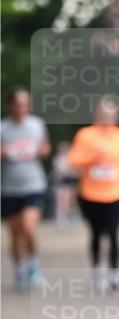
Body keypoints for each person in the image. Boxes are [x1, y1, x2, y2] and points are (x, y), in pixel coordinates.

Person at [68, 98, 119, 289]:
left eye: (111, 114)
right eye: (104, 113)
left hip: (116, 192)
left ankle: (115, 272)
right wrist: (93, 156)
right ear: (97, 114)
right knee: (96, 233)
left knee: (115, 233)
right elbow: (74, 161)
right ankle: (97, 268)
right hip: (91, 194)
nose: (108, 117)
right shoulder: (85, 135)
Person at [1, 87, 50, 289]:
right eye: (19, 103)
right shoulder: (3, 128)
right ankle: (19, 270)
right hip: (9, 187)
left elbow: (46, 149)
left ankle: (33, 266)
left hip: (33, 184)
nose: (22, 107)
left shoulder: (37, 125)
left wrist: (40, 150)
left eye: (26, 103)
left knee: (29, 227)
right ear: (11, 105)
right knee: (15, 232)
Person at [51, 141, 79, 228]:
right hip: (61, 183)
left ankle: (72, 217)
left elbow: (76, 171)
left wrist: (70, 172)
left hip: (70, 182)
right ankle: (62, 219)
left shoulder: (71, 158)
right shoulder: (57, 159)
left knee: (71, 201)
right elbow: (56, 172)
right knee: (62, 201)